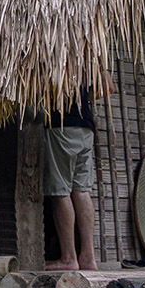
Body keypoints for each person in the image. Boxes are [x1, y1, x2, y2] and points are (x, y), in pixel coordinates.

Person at [44, 92, 98, 270]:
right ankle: (88, 258)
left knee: (60, 191)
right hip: (86, 126)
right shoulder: (87, 62)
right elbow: (108, 86)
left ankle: (69, 258)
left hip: (62, 123)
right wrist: (81, 97)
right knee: (82, 190)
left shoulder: (52, 62)